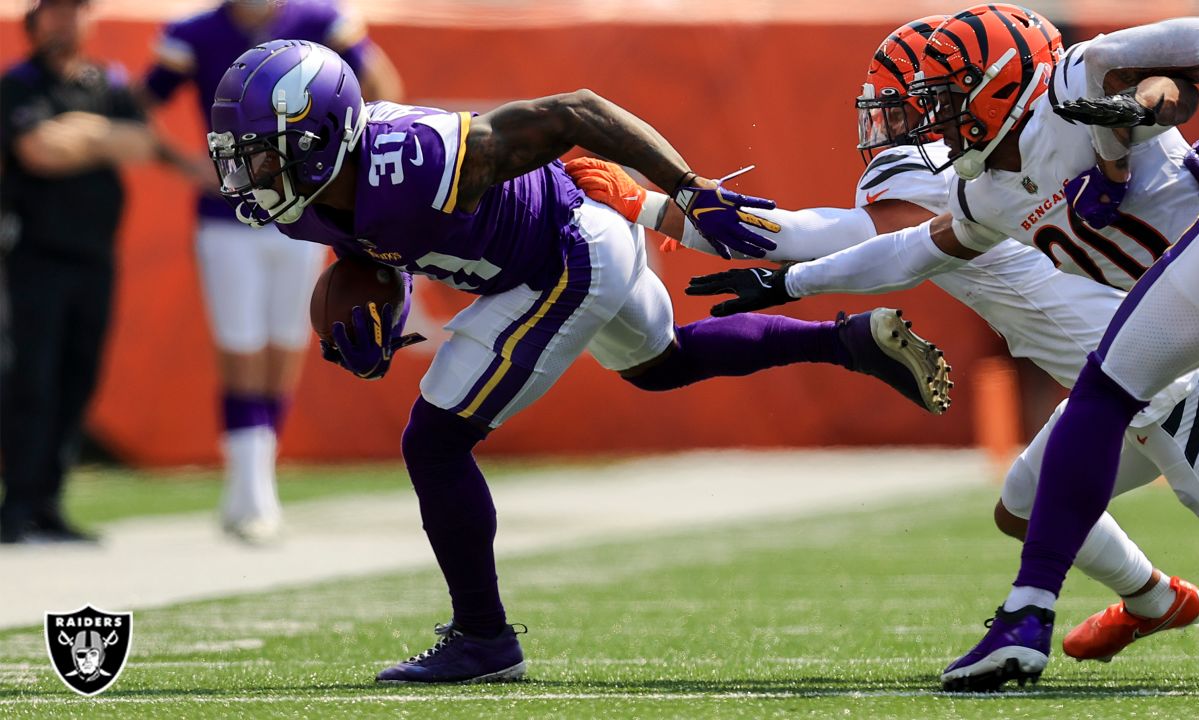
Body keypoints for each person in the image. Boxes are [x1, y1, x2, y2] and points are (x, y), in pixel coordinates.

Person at [205, 39, 953, 683]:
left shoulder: (413, 163)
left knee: (434, 441)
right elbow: (373, 238)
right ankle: (844, 340)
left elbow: (576, 111)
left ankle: (483, 638)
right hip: (576, 241)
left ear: (319, 137)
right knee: (660, 365)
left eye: (263, 156)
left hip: (566, 251)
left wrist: (688, 191)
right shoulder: (310, 198)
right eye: (241, 159)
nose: (250, 177)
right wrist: (376, 304)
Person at [569, 10, 1199, 674]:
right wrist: (791, 286)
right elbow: (910, 250)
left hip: (1179, 364)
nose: (924, 118)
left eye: (936, 98)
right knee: (1024, 506)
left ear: (994, 82)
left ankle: (1057, 612)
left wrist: (659, 206)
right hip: (1139, 352)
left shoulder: (1062, 90)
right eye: (920, 102)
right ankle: (1154, 599)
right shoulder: (987, 189)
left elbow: (1178, 67)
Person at [945, 0, 1199, 691]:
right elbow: (1166, 89)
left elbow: (1132, 67)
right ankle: (1123, 601)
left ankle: (1028, 612)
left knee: (1107, 391)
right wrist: (1121, 143)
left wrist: (1114, 159)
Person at [138, 0, 404, 542]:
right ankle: (252, 489)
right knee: (240, 346)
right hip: (227, 216)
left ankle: (254, 488)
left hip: (299, 209)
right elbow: (139, 104)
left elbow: (380, 84)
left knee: (285, 346)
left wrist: (344, 163)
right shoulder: (197, 32)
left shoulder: (319, 21)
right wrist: (183, 162)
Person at [0, 0, 182, 544]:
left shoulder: (107, 82)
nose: (65, 21)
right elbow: (39, 151)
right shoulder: (19, 84)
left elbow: (143, 141)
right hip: (35, 253)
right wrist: (102, 138)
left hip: (95, 257)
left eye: (75, 10)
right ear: (34, 22)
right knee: (31, 379)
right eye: (54, 11)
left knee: (78, 378)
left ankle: (49, 503)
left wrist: (83, 128)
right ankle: (17, 505)